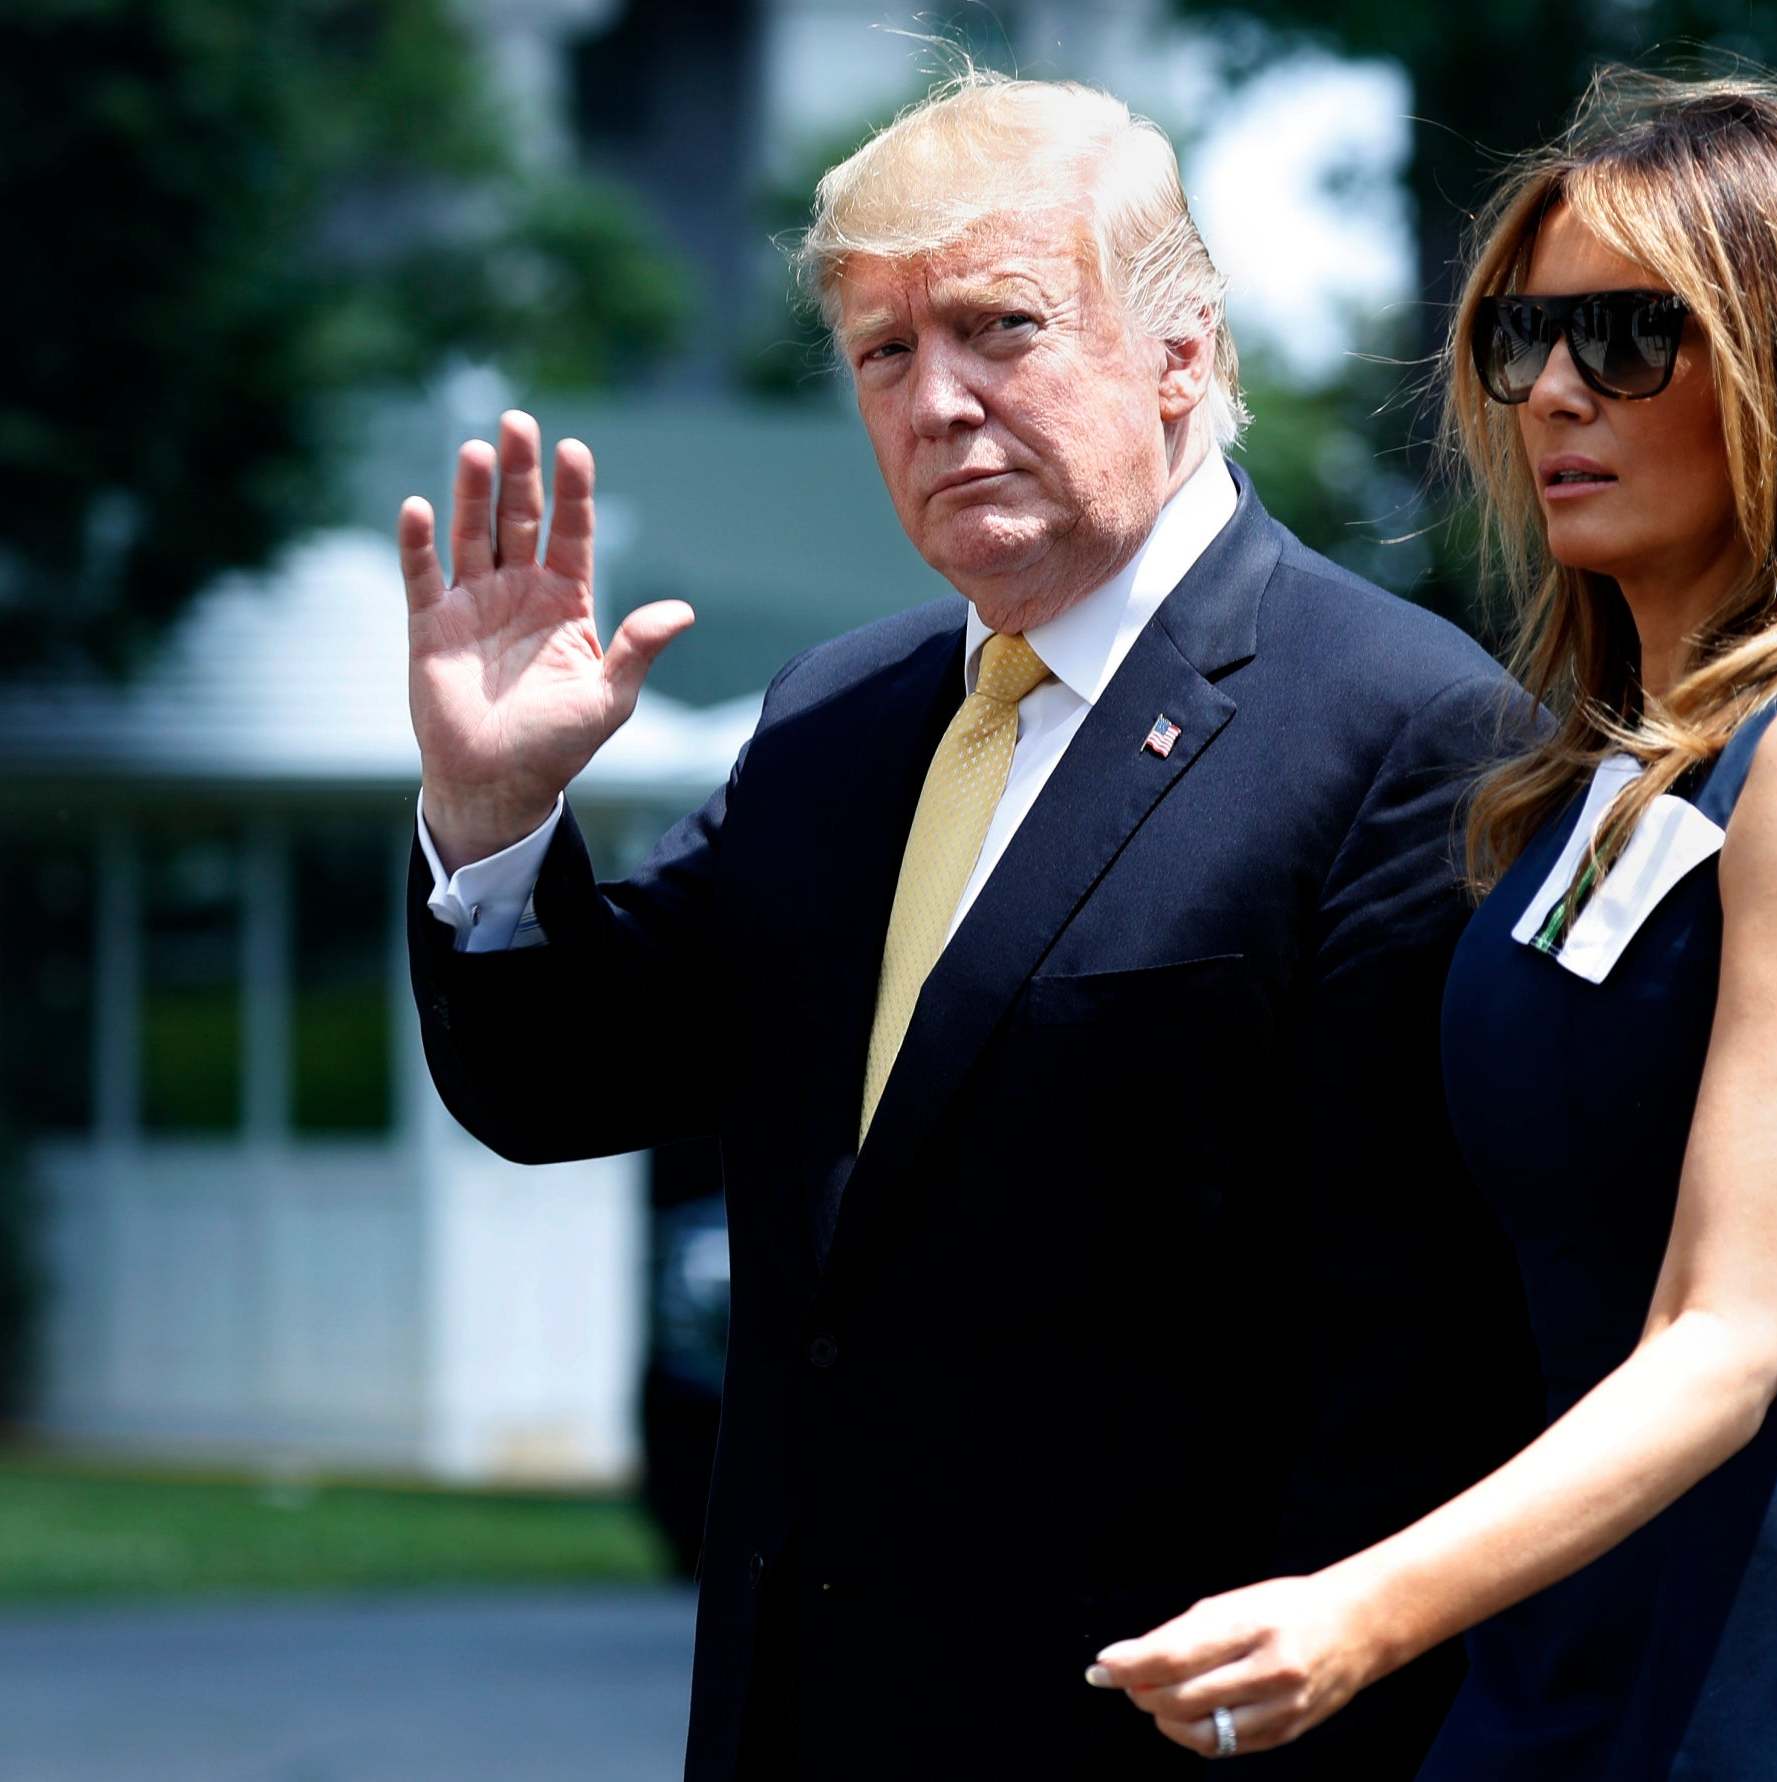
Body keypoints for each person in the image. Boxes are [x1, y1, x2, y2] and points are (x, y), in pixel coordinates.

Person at [396, 71, 1539, 1780]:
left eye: (999, 329)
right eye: (883, 352)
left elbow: (1418, 1366)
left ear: (1183, 355)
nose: (937, 402)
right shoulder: (835, 722)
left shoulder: (1401, 727)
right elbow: (563, 1078)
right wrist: (493, 815)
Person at [1092, 67, 1777, 1778]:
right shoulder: (1603, 781)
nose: (1555, 390)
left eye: (1633, 339)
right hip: (1600, 1603)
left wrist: (1360, 1607)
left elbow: (1727, 1333)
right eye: (1523, 339)